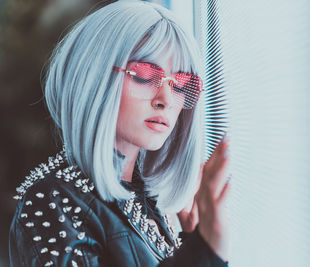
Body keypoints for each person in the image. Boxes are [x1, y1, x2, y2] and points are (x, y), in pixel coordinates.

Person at [8, 1, 231, 266]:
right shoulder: (52, 201)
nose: (166, 99)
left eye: (182, 84)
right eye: (145, 75)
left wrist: (193, 245)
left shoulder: (145, 199)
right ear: (93, 77)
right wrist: (202, 254)